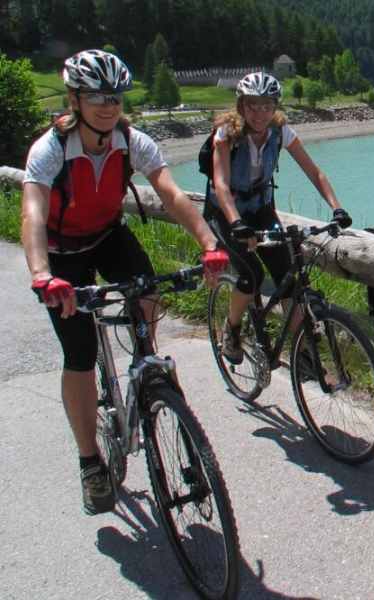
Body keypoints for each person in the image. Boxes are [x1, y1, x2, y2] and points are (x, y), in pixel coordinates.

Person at [21, 49, 229, 515]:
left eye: (114, 95)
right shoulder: (51, 148)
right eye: (95, 95)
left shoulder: (132, 140)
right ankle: (91, 461)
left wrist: (209, 243)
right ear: (74, 98)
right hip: (61, 254)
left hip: (108, 236)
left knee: (148, 291)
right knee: (80, 354)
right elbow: (32, 212)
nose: (107, 104)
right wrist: (42, 275)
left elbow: (171, 193)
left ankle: (145, 367)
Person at [202, 71, 350, 368]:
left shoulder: (282, 132)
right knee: (251, 275)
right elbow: (220, 183)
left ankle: (302, 351)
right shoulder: (226, 134)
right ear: (241, 106)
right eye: (253, 105)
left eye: (267, 106)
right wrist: (235, 223)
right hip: (225, 211)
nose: (260, 113)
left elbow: (314, 171)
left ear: (275, 107)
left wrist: (337, 208)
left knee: (287, 278)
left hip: (260, 209)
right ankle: (230, 331)